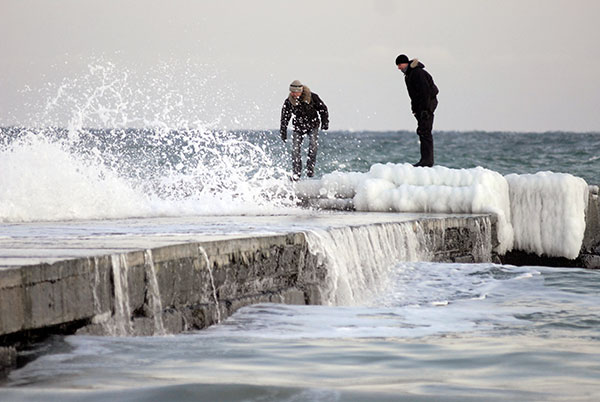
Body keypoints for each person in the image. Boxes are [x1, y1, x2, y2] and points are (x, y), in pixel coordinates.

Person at [280, 80, 329, 180]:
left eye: (295, 92)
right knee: (295, 150)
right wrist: (283, 132)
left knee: (313, 145)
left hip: (312, 125)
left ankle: (310, 169)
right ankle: (296, 173)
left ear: (301, 91)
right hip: (299, 127)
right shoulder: (289, 101)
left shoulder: (312, 97)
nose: (293, 94)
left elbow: (323, 109)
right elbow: (285, 117)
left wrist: (325, 123)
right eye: (291, 92)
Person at [396, 54, 439, 167]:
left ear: (405, 63)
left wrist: (425, 109)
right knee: (422, 131)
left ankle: (427, 161)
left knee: (425, 132)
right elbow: (414, 96)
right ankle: (425, 160)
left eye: (399, 65)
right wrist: (415, 109)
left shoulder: (417, 73)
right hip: (420, 108)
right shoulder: (409, 75)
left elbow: (425, 92)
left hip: (427, 106)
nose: (398, 68)